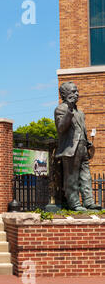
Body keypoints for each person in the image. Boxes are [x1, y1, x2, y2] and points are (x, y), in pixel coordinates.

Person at [54, 82, 102, 211]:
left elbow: (81, 130)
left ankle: (89, 202)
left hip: (82, 148)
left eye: (77, 91)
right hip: (70, 149)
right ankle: (74, 203)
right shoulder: (61, 109)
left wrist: (87, 142)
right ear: (64, 94)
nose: (77, 94)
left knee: (86, 176)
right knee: (72, 177)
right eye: (73, 92)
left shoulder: (80, 113)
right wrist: (69, 109)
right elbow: (61, 127)